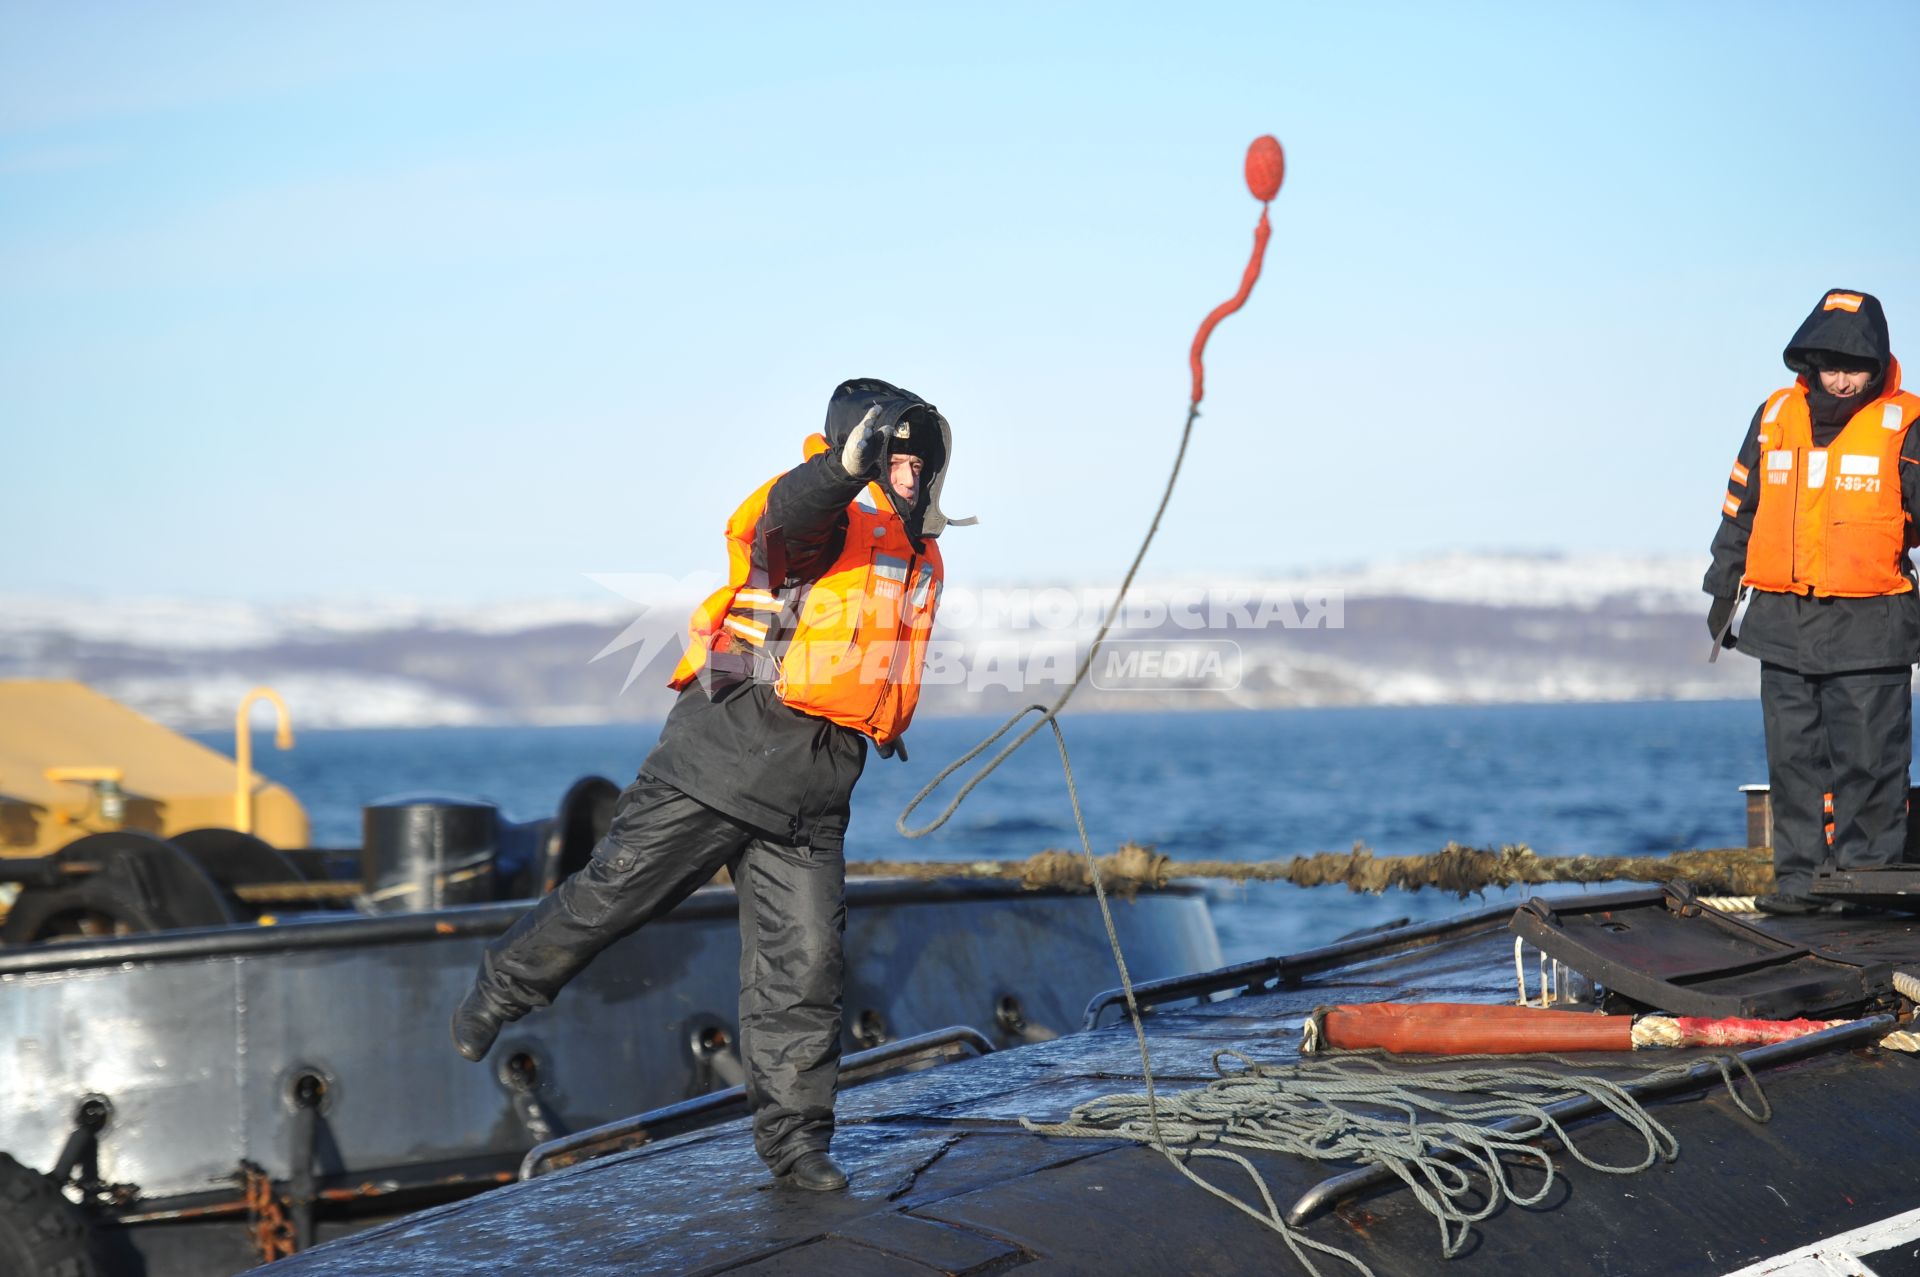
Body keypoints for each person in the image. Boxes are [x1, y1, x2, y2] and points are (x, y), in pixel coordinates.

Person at [451, 378, 961, 1190]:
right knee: (613, 894)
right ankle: (499, 984)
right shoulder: (820, 515)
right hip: (720, 761)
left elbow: (861, 656)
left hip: (815, 788)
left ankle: (796, 1147)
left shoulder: (915, 550)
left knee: (806, 966)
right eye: (890, 455)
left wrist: (876, 719)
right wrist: (843, 470)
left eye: (914, 459)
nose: (904, 471)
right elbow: (787, 523)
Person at [1706, 289, 1920, 914]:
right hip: (1784, 623)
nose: (1844, 379)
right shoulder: (1773, 417)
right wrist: (1722, 589)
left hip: (1873, 625)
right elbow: (1739, 509)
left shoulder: (1905, 424)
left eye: (1857, 366)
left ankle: (1867, 895)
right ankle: (1797, 890)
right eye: (1832, 365)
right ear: (1809, 362)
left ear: (1879, 364)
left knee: (1871, 770)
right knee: (1794, 764)